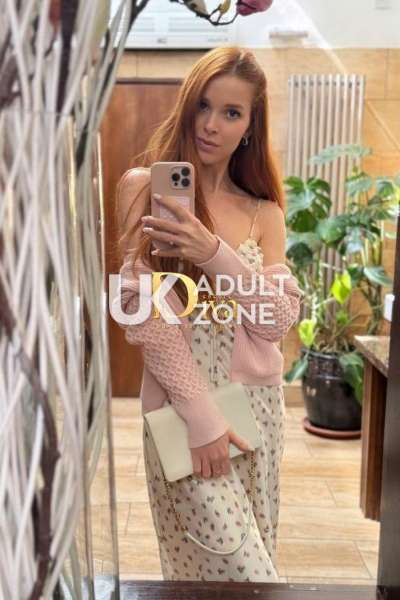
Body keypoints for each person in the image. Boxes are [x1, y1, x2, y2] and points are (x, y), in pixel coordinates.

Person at [114, 46, 303, 582]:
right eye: (202, 105)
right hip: (182, 412)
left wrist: (212, 252)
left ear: (249, 127)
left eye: (231, 112)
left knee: (251, 569)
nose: (211, 124)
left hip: (258, 414)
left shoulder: (265, 213)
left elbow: (275, 321)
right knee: (234, 572)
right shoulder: (142, 188)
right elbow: (142, 316)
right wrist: (202, 418)